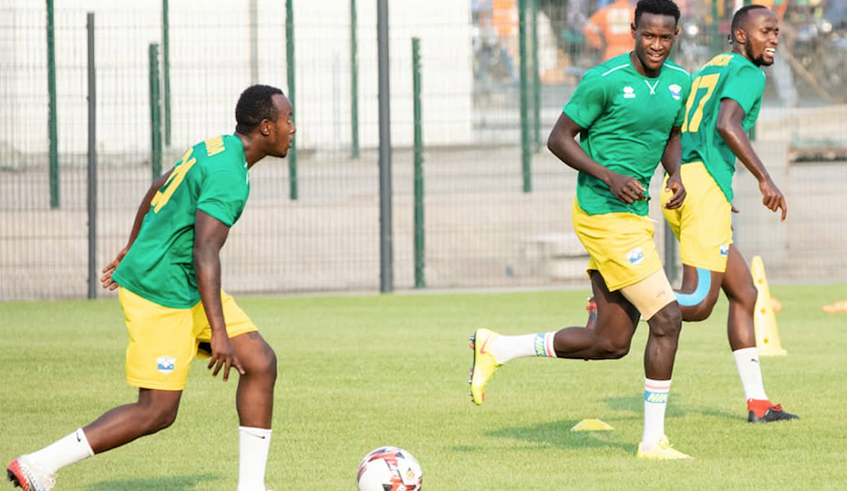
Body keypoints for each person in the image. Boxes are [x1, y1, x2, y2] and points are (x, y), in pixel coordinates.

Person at [6, 84, 296, 491]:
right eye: (288, 120)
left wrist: (134, 242)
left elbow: (162, 184)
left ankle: (252, 487)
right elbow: (205, 252)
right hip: (159, 291)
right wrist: (218, 332)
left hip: (184, 284)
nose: (293, 128)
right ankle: (38, 465)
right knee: (157, 411)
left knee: (261, 362)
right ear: (266, 127)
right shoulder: (229, 175)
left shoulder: (217, 148)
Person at [469, 0, 694, 460]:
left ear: (676, 36)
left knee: (610, 343)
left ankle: (498, 347)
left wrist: (674, 174)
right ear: (633, 30)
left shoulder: (680, 83)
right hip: (600, 212)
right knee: (668, 319)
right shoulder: (604, 80)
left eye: (664, 37)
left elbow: (672, 134)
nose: (655, 45)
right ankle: (653, 442)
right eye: (648, 35)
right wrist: (608, 175)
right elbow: (558, 138)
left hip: (634, 216)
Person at [660, 5, 798, 424]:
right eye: (765, 31)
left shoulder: (709, 67)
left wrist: (693, 180)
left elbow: (681, 129)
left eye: (776, 31)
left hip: (690, 182)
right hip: (701, 193)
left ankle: (758, 403)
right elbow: (727, 124)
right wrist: (765, 179)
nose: (773, 38)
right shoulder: (747, 72)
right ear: (740, 35)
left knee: (744, 293)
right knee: (699, 302)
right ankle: (618, 296)